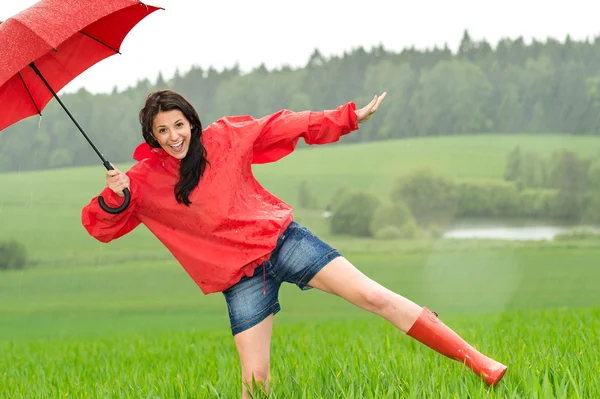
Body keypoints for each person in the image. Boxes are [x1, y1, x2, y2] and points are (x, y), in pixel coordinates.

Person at [81, 90, 507, 398]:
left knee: (374, 296)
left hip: (281, 241)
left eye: (179, 124)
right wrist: (116, 197)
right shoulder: (140, 182)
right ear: (152, 136)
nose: (174, 136)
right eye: (163, 130)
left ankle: (480, 363)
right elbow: (100, 225)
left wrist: (347, 117)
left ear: (191, 122)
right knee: (255, 382)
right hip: (240, 279)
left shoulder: (225, 137)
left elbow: (283, 124)